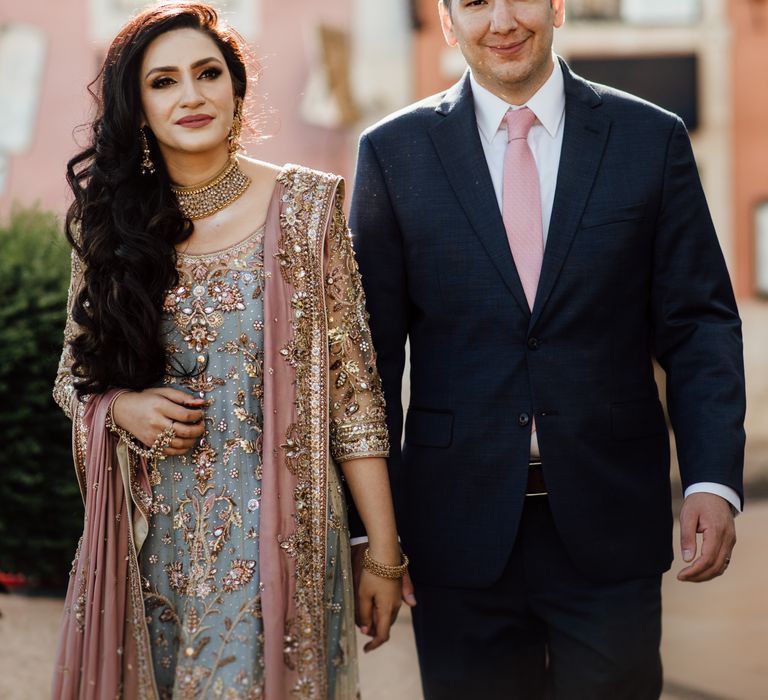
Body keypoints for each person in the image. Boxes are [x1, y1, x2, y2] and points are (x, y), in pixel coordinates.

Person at [349, 1, 746, 698]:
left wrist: (712, 478)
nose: (501, 19)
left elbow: (697, 323)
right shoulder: (392, 152)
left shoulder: (649, 138)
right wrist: (368, 535)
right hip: (454, 530)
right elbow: (367, 363)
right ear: (446, 22)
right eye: (473, 3)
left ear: (558, 5)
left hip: (610, 519)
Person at [51, 4, 405, 698]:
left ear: (237, 89)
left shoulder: (306, 209)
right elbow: (74, 379)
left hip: (287, 541)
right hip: (152, 544)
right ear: (139, 106)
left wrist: (384, 557)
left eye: (208, 73)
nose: (191, 95)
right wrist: (122, 409)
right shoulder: (112, 224)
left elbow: (355, 396)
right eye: (164, 81)